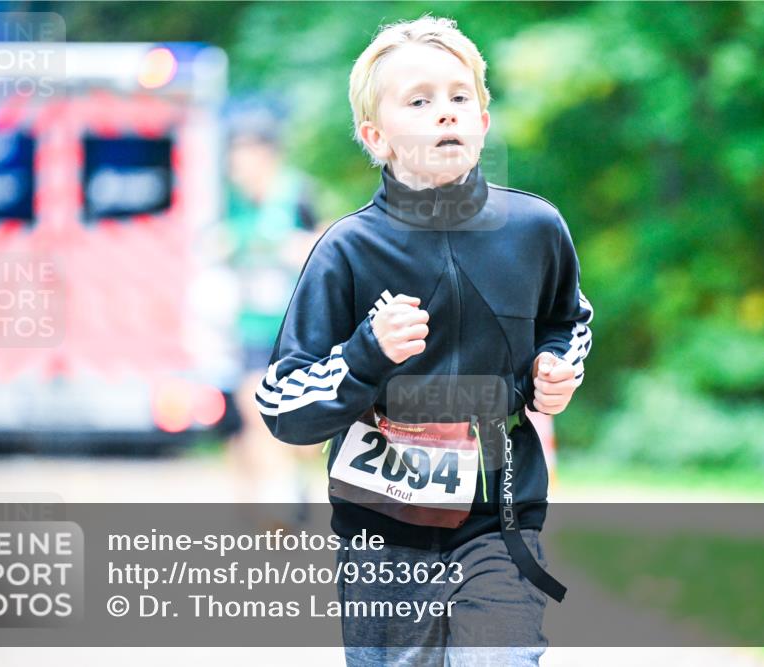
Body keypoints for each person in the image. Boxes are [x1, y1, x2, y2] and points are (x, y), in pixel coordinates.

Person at [254, 16, 593, 666]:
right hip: (383, 534)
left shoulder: (535, 229)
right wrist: (365, 353)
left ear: (484, 122)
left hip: (500, 518)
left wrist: (557, 366)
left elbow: (569, 320)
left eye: (460, 97)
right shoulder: (346, 251)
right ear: (375, 137)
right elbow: (283, 405)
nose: (446, 113)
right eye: (420, 100)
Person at [221, 100, 323, 506]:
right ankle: (273, 505)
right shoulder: (235, 202)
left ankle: (293, 482)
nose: (237, 169)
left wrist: (290, 247)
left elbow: (323, 245)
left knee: (299, 432)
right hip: (250, 328)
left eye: (243, 159)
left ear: (266, 156)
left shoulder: (296, 193)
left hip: (296, 328)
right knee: (253, 410)